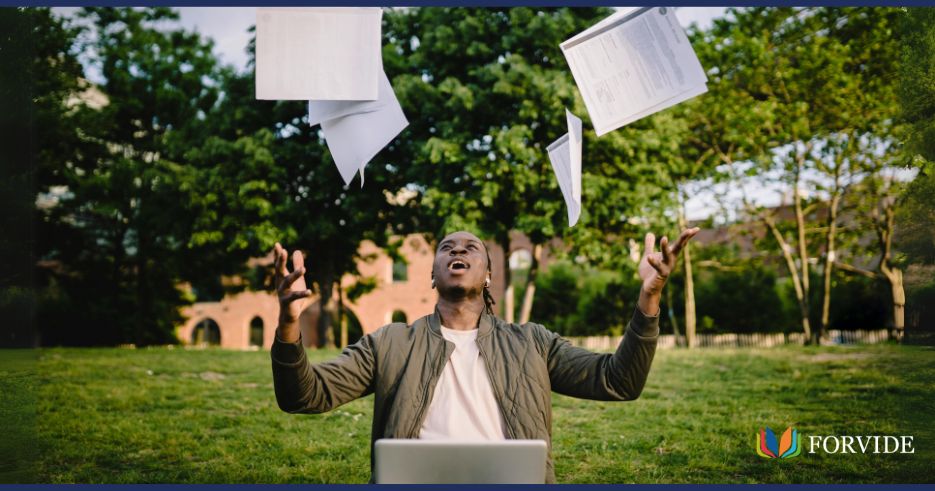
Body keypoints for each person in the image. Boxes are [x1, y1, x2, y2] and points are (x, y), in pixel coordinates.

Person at [270, 228, 699, 483]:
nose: (458, 250)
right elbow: (304, 396)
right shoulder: (389, 342)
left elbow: (618, 381)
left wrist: (650, 296)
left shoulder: (533, 342)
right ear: (432, 275)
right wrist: (289, 320)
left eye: (471, 247)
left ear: (489, 275)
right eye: (447, 247)